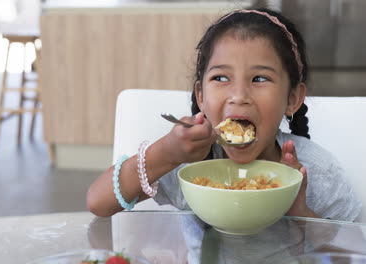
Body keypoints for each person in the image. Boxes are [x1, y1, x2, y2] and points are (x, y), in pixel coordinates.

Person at [87, 8, 361, 221]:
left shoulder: (317, 173)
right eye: (220, 77)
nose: (239, 95)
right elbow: (98, 203)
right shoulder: (188, 164)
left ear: (292, 99)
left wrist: (298, 212)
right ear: (201, 97)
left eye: (259, 79)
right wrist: (166, 153)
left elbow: (350, 251)